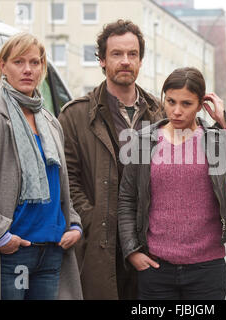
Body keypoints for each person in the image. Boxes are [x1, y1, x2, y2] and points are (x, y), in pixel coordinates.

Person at [117, 67, 226, 300]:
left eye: (186, 104)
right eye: (171, 101)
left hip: (207, 270)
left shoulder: (214, 140)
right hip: (156, 270)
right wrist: (132, 250)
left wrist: (224, 121)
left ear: (200, 104)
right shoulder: (145, 141)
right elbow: (126, 199)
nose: (176, 111)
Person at [0, 32, 83, 300]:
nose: (28, 69)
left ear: (43, 67)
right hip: (13, 253)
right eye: (18, 62)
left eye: (35, 62)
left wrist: (74, 224)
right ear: (2, 66)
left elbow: (60, 187)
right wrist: (3, 237)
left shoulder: (50, 123)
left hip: (51, 252)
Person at [58, 19, 163, 300]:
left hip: (150, 244)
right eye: (117, 54)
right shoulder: (75, 115)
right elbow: (67, 180)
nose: (125, 61)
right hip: (100, 245)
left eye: (132, 54)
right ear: (102, 60)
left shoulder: (161, 114)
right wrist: (92, 218)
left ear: (141, 60)